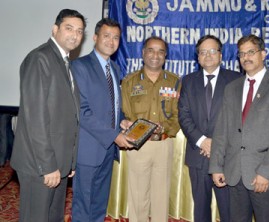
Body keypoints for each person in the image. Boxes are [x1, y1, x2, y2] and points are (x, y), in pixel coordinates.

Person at [209, 34, 269, 222]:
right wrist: (216, 166)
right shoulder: (232, 88)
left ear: (263, 54)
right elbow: (221, 131)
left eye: (251, 52)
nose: (245, 58)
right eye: (241, 54)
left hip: (263, 176)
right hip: (234, 174)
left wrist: (265, 172)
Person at [10, 9, 86, 222]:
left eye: (79, 31)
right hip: (40, 166)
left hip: (58, 164)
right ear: (55, 29)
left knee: (53, 218)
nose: (75, 35)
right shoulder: (40, 58)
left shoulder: (64, 62)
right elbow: (36, 118)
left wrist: (68, 161)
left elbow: (68, 116)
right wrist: (48, 165)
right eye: (69, 28)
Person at [70, 18, 133, 222]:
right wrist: (115, 136)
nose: (111, 41)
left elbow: (111, 105)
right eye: (106, 36)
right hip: (88, 150)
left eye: (116, 38)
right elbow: (83, 111)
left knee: (99, 204)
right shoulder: (80, 66)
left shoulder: (114, 68)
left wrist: (122, 121)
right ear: (95, 38)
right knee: (83, 204)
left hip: (108, 150)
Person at [178, 35, 241, 222]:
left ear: (221, 55)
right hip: (198, 156)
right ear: (198, 57)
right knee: (201, 211)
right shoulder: (188, 81)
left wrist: (217, 145)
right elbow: (184, 115)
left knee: (229, 211)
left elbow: (239, 118)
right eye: (203, 52)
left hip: (226, 158)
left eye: (212, 51)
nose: (208, 55)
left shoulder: (236, 79)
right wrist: (202, 141)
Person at [121, 36, 180, 222]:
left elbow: (180, 115)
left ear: (166, 55)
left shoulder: (175, 82)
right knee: (138, 198)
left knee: (161, 198)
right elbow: (124, 113)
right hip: (139, 146)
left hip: (164, 144)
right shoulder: (129, 82)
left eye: (161, 51)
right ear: (143, 53)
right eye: (151, 50)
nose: (156, 55)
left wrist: (166, 127)